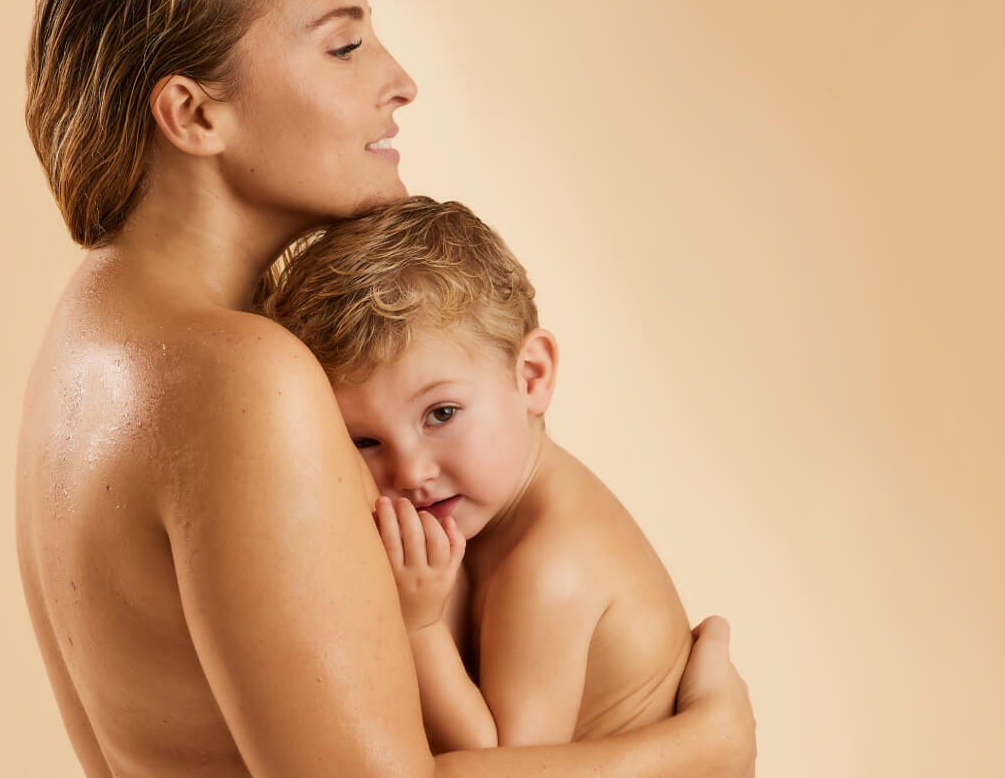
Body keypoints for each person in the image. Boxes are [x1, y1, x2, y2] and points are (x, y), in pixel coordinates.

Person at [16, 0, 756, 776]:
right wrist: (700, 747)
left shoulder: (86, 341)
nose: (397, 82)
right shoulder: (239, 377)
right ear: (196, 113)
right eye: (343, 47)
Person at [255, 196, 694, 750]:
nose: (410, 472)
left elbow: (502, 762)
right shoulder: (506, 514)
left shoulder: (550, 566)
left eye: (441, 414)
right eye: (365, 441)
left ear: (531, 376)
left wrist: (418, 624)